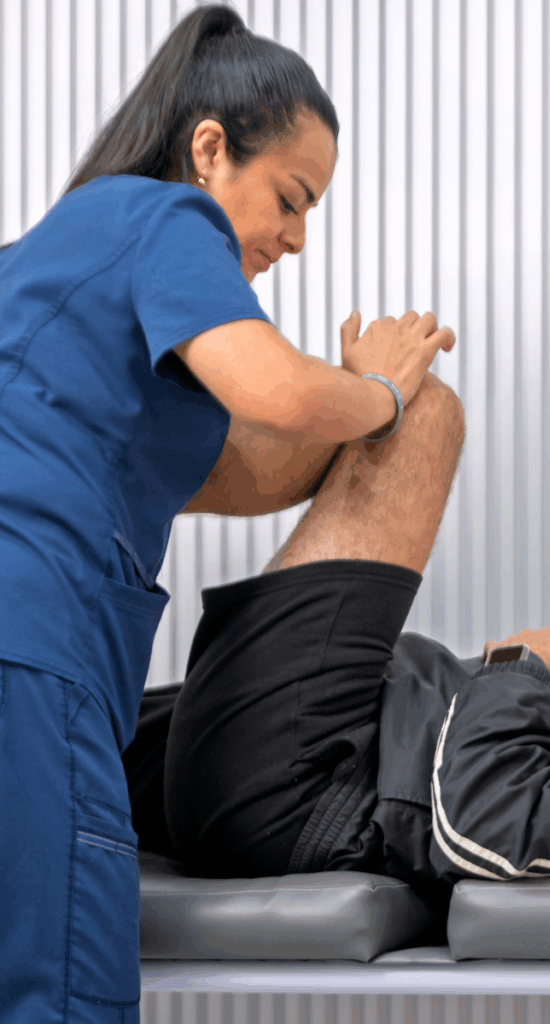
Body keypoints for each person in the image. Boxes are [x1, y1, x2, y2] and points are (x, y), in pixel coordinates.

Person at [0, 6, 455, 1022]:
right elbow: (279, 396)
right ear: (208, 148)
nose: (295, 237)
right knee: (58, 995)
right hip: (28, 651)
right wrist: (376, 390)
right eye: (290, 199)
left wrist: (349, 413)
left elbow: (250, 471)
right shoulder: (162, 218)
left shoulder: (43, 273)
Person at [124, 353, 550, 919]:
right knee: (52, 741)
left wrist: (522, 664)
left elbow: (488, 825)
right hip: (338, 736)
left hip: (312, 776)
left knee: (416, 407)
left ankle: (79, 470)